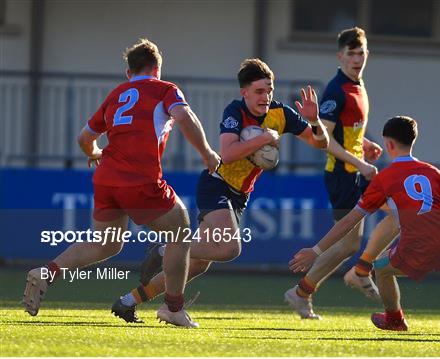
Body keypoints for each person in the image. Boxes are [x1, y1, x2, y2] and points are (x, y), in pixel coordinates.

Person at [110, 58, 329, 323]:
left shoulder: (281, 114)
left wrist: (315, 121)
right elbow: (227, 152)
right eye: (259, 91)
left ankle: (131, 302)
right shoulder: (234, 111)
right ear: (244, 92)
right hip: (217, 184)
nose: (266, 96)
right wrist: (263, 138)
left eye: (269, 90)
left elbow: (320, 143)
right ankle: (167, 248)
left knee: (198, 262)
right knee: (229, 248)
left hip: (239, 195)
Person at [22, 39, 220, 328]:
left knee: (106, 244)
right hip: (139, 179)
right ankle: (173, 308)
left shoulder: (117, 94)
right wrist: (207, 153)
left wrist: (94, 154)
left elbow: (84, 138)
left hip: (106, 179)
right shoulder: (165, 89)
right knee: (180, 231)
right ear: (157, 70)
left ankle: (48, 271)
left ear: (129, 73)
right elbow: (183, 115)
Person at [289, 116, 440, 335]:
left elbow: (349, 220)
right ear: (413, 140)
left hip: (415, 245)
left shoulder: (385, 178)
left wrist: (316, 250)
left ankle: (394, 319)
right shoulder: (432, 172)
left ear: (388, 144)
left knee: (382, 268)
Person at [284, 27, 399, 319]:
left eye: (361, 52)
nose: (357, 58)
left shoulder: (358, 86)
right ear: (340, 56)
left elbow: (350, 133)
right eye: (351, 53)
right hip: (342, 175)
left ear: (367, 55)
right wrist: (358, 162)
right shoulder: (336, 90)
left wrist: (367, 146)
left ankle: (336, 279)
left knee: (389, 220)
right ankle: (321, 284)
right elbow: (326, 141)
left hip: (356, 173)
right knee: (359, 237)